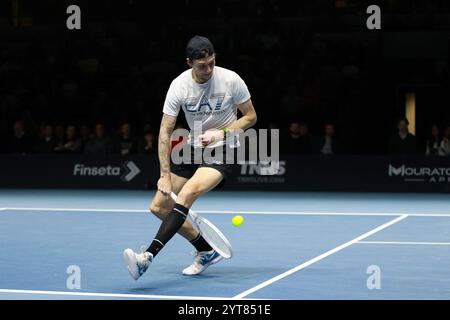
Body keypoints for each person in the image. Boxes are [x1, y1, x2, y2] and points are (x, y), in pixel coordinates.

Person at [123, 35, 257, 280]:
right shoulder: (179, 86)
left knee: (185, 195)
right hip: (192, 146)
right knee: (159, 206)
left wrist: (222, 133)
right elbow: (165, 130)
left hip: (223, 147)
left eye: (212, 63)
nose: (208, 69)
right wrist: (164, 175)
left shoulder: (231, 79)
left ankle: (147, 257)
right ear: (189, 63)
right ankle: (205, 250)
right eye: (202, 65)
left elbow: (250, 117)